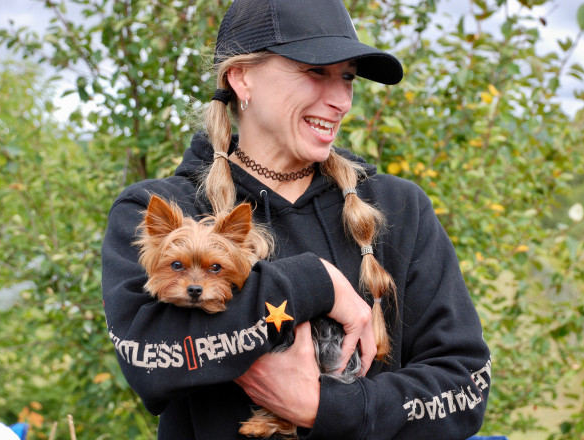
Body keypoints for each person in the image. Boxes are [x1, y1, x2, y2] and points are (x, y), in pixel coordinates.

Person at [101, 0, 492, 438]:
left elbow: (465, 385)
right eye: (315, 71)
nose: (341, 99)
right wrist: (316, 282)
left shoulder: (399, 208)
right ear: (241, 77)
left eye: (347, 77)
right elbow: (149, 359)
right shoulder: (161, 211)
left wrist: (324, 407)